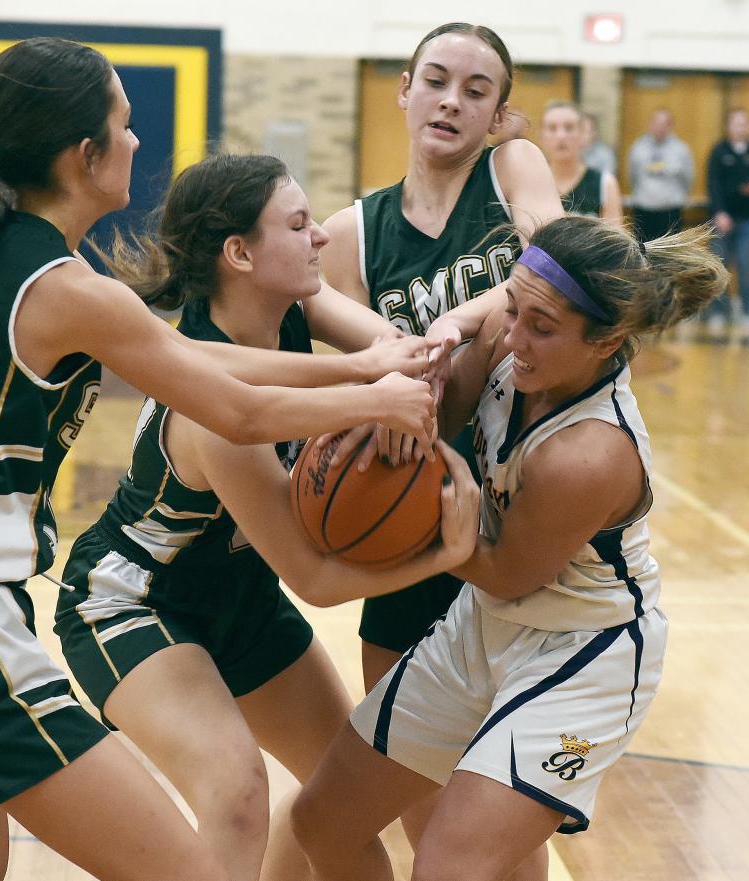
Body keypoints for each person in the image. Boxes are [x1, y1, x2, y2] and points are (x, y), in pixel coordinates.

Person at [0, 39, 443, 881]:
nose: (138, 141)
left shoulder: (1, 249)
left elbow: (202, 361)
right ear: (85, 155)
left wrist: (360, 367)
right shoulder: (68, 288)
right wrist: (376, 397)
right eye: (124, 124)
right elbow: (233, 406)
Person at [52, 152, 481, 881]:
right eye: (299, 223)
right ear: (240, 254)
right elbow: (313, 577)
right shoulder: (209, 398)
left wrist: (422, 360)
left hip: (241, 599)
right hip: (134, 602)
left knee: (337, 803)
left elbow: (389, 346)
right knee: (238, 793)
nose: (320, 237)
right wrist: (449, 549)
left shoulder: (294, 307)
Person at [292, 214, 728, 881]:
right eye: (513, 309)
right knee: (321, 820)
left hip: (584, 656)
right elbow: (455, 406)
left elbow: (504, 571)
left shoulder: (590, 454)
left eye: (541, 327)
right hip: (485, 626)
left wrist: (428, 520)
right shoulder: (507, 329)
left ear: (606, 340)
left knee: (448, 867)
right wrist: (406, 406)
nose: (512, 336)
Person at [319, 21, 563, 848]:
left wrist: (456, 324)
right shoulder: (351, 233)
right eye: (436, 79)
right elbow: (362, 380)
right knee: (424, 813)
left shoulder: (512, 171)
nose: (452, 100)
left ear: (499, 115)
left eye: (476, 89)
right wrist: (392, 386)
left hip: (521, 505)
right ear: (403, 88)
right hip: (410, 512)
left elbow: (557, 269)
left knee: (489, 831)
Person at [541, 100, 622, 225]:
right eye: (552, 128)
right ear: (542, 136)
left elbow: (616, 241)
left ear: (583, 134)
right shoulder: (530, 183)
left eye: (569, 128)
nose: (560, 136)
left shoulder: (605, 183)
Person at [704, 107, 749, 330]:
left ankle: (745, 310)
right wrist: (719, 212)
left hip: (746, 220)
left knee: (745, 264)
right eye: (736, 123)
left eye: (744, 124)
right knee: (718, 266)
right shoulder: (719, 151)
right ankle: (718, 311)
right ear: (728, 126)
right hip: (721, 219)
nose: (740, 128)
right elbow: (713, 184)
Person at [629, 108, 694, 241]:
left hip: (670, 212)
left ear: (670, 126)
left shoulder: (681, 149)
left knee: (669, 256)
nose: (659, 128)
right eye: (656, 123)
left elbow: (688, 178)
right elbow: (632, 176)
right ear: (650, 124)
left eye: (663, 124)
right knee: (642, 253)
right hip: (643, 211)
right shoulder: (638, 147)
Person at [581, 111, 617, 178]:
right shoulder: (569, 152)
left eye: (584, 130)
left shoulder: (605, 155)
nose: (580, 135)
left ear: (594, 133)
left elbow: (607, 183)